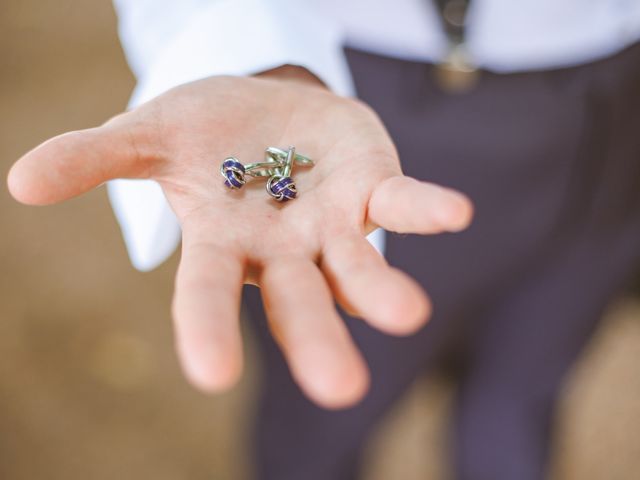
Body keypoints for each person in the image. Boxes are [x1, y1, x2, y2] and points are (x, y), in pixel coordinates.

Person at [7, 1, 640, 479]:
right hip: (355, 87)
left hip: (622, 98)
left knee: (525, 395)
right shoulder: (293, 155)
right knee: (333, 407)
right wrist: (252, 52)